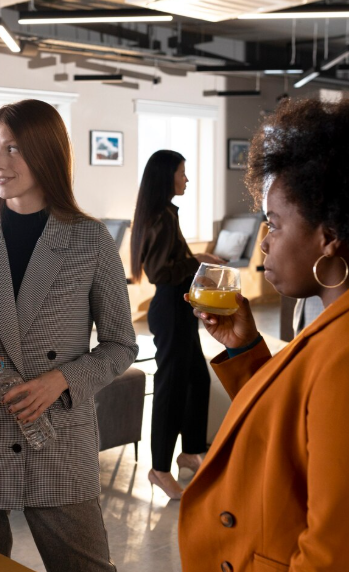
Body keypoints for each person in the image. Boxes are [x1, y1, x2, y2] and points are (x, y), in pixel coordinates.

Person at [178, 97, 349, 571]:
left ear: (329, 238)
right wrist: (245, 349)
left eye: (275, 223)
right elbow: (301, 435)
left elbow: (336, 559)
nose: (263, 241)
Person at [0, 99, 137, 572]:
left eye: (14, 149)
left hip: (57, 436)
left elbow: (121, 344)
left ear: (47, 154)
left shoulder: (90, 240)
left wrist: (60, 381)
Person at [129, 150, 225, 500]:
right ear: (166, 176)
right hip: (170, 309)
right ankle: (159, 469)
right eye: (182, 173)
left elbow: (171, 261)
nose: (186, 179)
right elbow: (160, 273)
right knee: (170, 390)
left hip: (178, 309)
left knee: (198, 378)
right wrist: (193, 263)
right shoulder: (162, 216)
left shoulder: (165, 213)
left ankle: (190, 451)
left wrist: (195, 259)